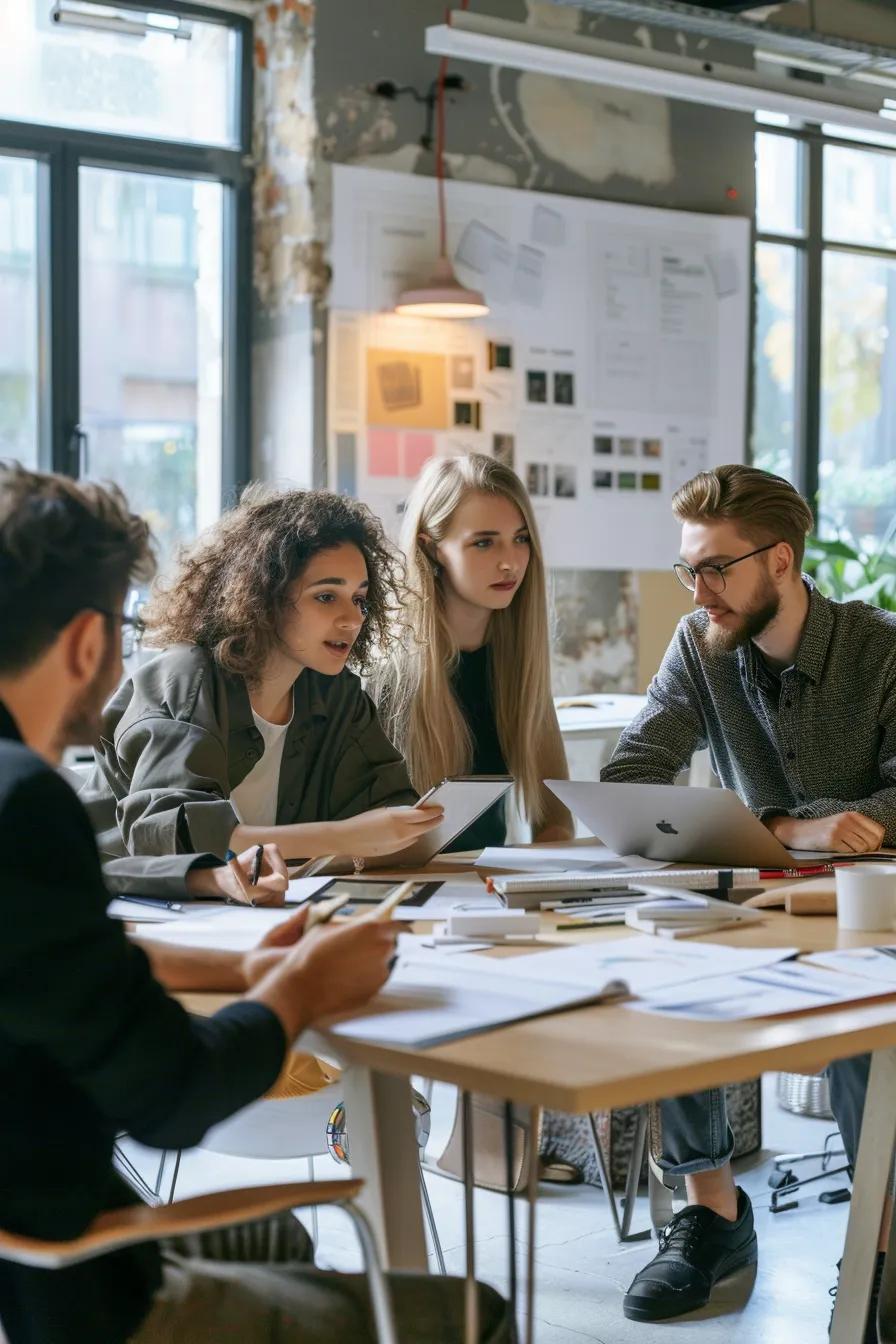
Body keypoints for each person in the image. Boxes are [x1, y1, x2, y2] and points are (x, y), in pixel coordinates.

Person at [0, 462, 512, 1344]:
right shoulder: (26, 806)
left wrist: (245, 965)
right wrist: (302, 989)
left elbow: (56, 959)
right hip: (83, 1292)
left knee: (278, 1234)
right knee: (470, 1317)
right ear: (87, 643)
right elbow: (171, 1097)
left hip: (36, 1249)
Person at [602, 463, 889, 1337]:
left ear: (783, 562)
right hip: (755, 897)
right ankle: (714, 1216)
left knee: (863, 1028)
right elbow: (631, 777)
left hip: (869, 908)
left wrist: (817, 830)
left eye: (717, 569)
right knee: (674, 960)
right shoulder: (699, 642)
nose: (701, 591)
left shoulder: (881, 649)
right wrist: (788, 827)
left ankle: (878, 1247)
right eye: (689, 570)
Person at [86, 485, 443, 868]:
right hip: (121, 906)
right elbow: (166, 837)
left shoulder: (335, 692)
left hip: (250, 910)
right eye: (326, 596)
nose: (354, 619)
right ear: (263, 596)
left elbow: (389, 811)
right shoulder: (188, 678)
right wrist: (347, 837)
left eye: (359, 599)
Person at [372, 453, 571, 851]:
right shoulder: (385, 673)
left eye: (521, 539)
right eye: (483, 543)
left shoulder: (518, 663)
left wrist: (545, 870)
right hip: (406, 889)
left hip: (487, 887)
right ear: (431, 550)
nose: (510, 563)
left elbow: (556, 818)